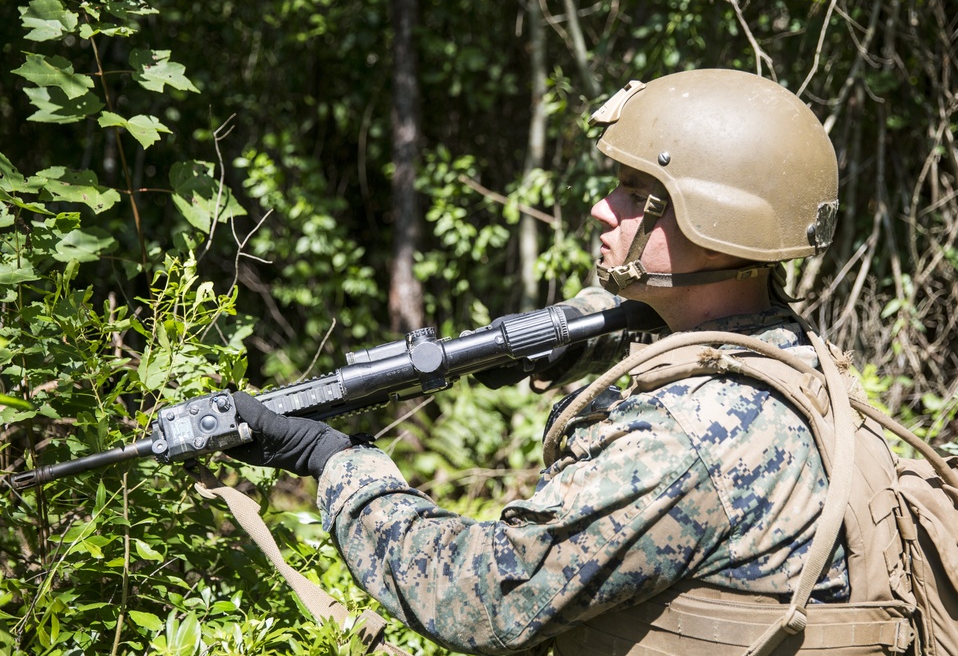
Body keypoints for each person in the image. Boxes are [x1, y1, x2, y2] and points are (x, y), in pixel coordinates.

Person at [229, 69, 855, 655]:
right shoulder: (794, 356)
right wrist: (578, 331)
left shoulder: (678, 443)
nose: (603, 208)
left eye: (638, 195)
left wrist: (338, 463)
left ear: (716, 225)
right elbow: (669, 320)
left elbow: (481, 595)